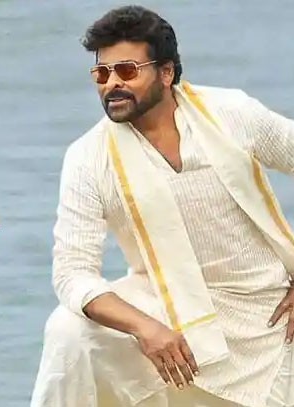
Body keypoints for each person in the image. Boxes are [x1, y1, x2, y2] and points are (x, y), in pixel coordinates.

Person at [30, 5, 294, 407]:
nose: (112, 84)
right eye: (101, 74)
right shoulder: (88, 157)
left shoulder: (231, 114)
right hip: (169, 312)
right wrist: (145, 328)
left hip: (269, 310)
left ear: (166, 72)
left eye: (127, 71)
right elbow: (72, 273)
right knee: (69, 331)